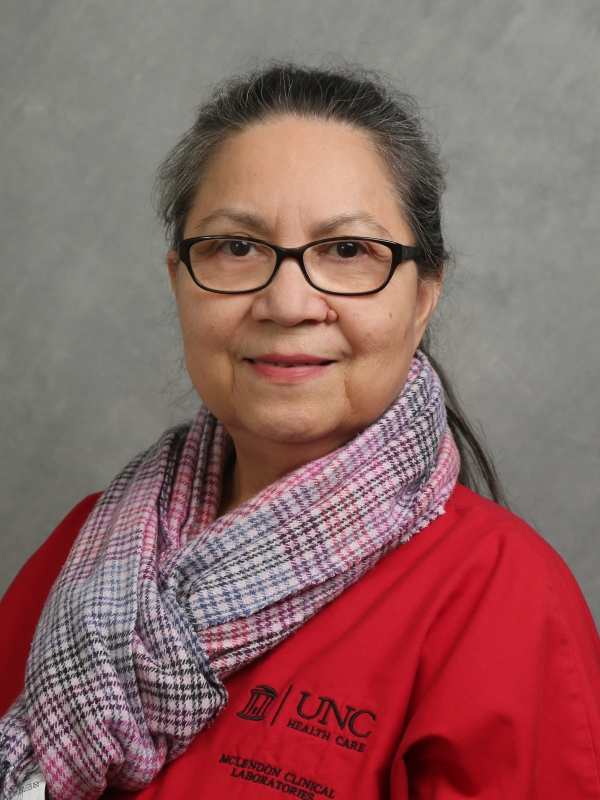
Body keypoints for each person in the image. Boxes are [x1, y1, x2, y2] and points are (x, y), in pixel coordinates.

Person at [0, 62, 599, 800]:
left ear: (424, 296)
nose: (288, 303)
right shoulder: (81, 549)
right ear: (179, 280)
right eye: (236, 247)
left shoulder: (504, 600)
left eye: (347, 251)